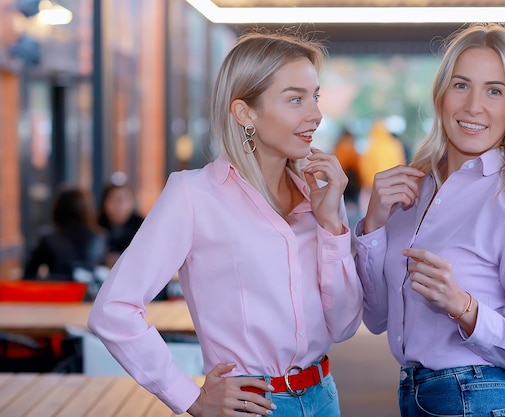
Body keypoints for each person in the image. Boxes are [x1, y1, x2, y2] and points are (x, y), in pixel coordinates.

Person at [88, 28, 363, 417]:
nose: (315, 114)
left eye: (314, 96)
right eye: (295, 99)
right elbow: (113, 309)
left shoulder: (318, 198)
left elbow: (346, 325)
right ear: (245, 112)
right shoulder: (194, 195)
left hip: (324, 398)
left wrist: (332, 225)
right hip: (248, 407)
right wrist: (187, 396)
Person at [353, 23, 505, 417]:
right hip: (413, 396)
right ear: (441, 95)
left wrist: (464, 307)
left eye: (494, 91)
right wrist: (375, 223)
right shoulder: (411, 193)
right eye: (461, 85)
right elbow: (378, 318)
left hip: (475, 398)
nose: (473, 106)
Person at [23, 184, 107, 286]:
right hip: (90, 297)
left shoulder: (48, 238)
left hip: (58, 296)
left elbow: (28, 275)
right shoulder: (99, 237)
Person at [97, 177, 144, 269]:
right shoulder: (95, 226)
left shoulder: (142, 226)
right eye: (114, 199)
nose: (120, 205)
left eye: (125, 199)